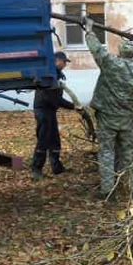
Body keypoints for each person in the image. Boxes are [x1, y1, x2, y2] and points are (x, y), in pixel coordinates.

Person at [84, 18, 133, 200]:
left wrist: (89, 31)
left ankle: (108, 191)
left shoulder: (111, 65)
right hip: (127, 120)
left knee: (107, 152)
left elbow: (98, 51)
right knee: (129, 153)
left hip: (107, 119)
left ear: (120, 52)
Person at [32, 51, 79, 180]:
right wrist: (74, 106)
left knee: (54, 140)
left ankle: (57, 167)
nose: (65, 65)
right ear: (57, 61)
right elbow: (55, 100)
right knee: (43, 140)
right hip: (43, 111)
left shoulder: (56, 75)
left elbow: (55, 99)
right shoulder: (49, 75)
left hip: (50, 110)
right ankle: (36, 170)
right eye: (64, 62)